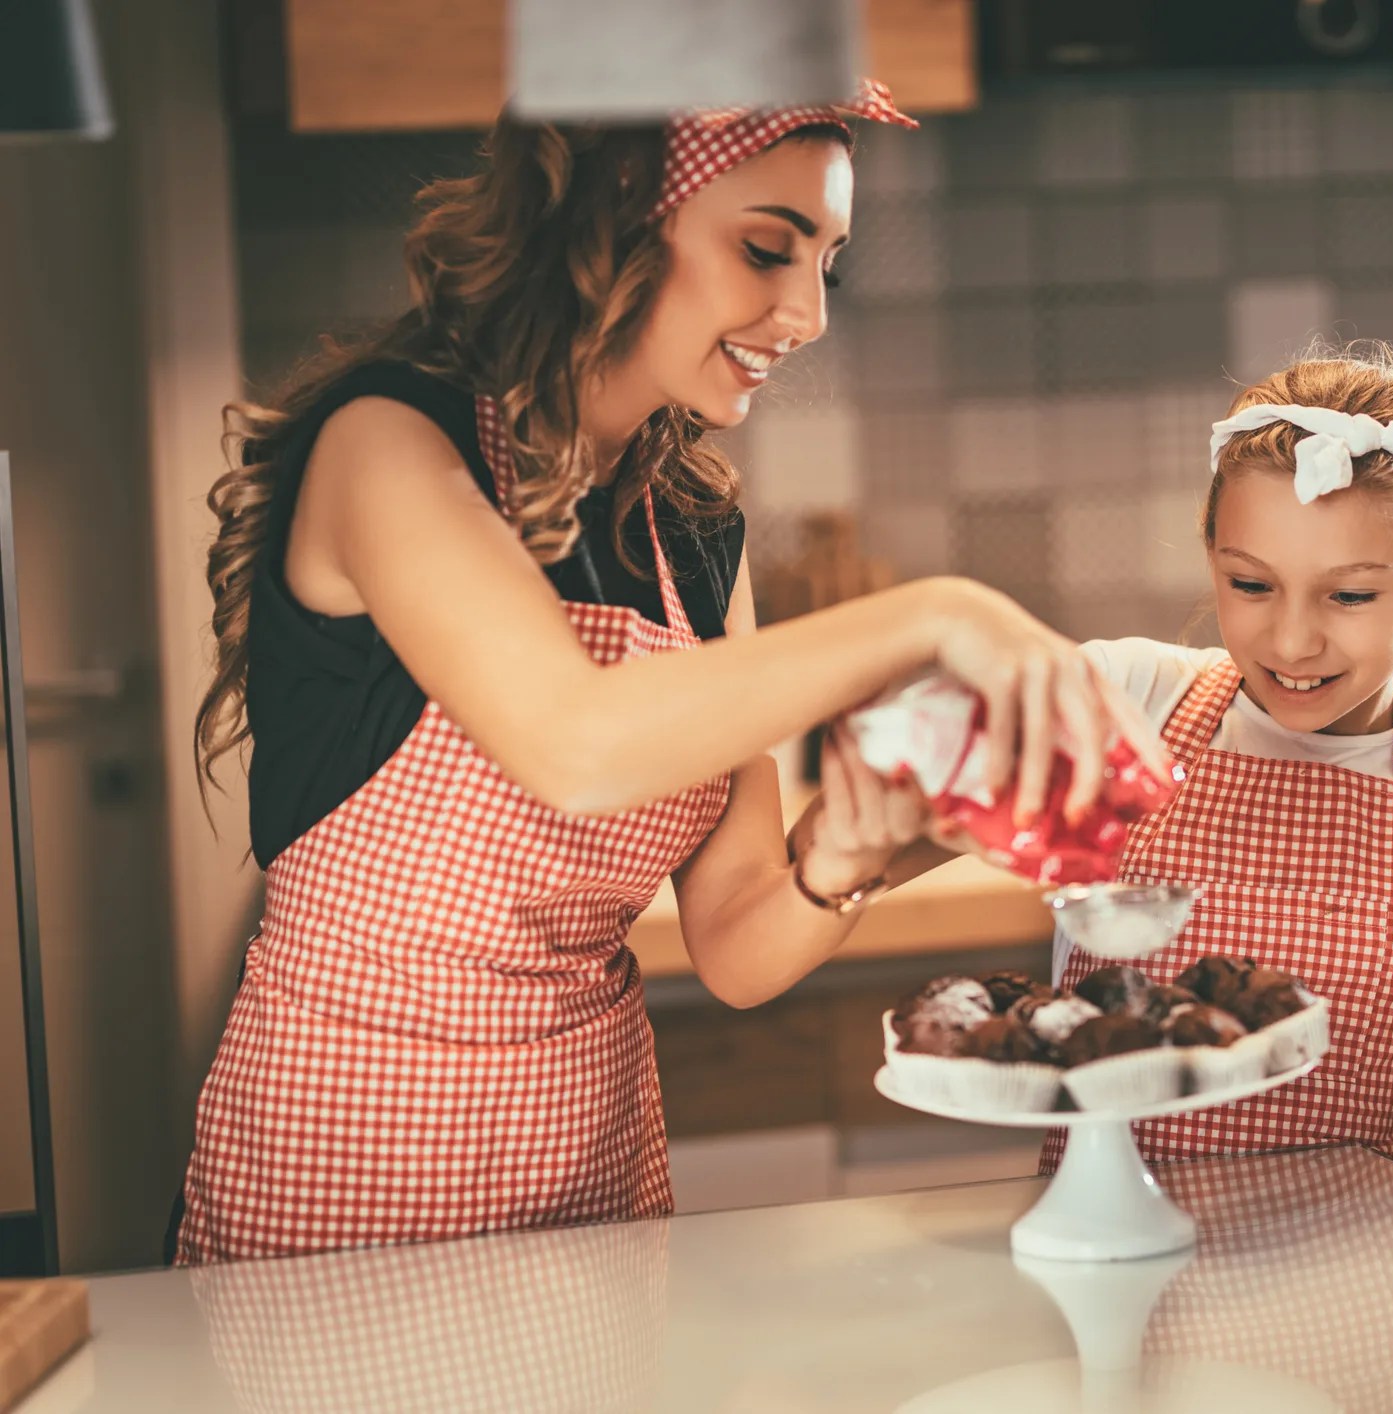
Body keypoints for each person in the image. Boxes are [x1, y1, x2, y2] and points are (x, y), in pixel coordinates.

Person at [174, 83, 1164, 1265]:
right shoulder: (391, 444)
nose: (805, 315)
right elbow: (577, 741)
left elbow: (739, 946)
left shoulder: (689, 529)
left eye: (828, 267)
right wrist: (940, 613)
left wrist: (843, 858)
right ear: (616, 217)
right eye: (765, 250)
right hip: (345, 1191)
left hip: (597, 1178)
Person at [1037, 343, 1393, 1225]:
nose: (1292, 641)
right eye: (1250, 584)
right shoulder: (1123, 705)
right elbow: (880, 840)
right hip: (1099, 1271)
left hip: (1334, 1303)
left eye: (1348, 597)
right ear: (1211, 556)